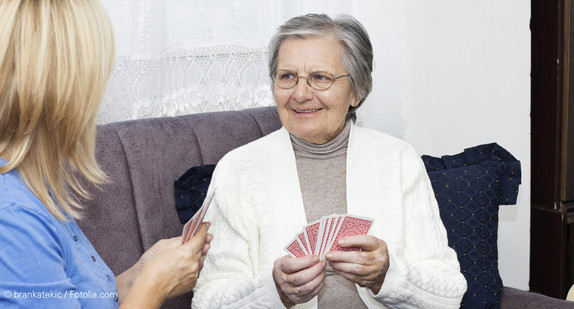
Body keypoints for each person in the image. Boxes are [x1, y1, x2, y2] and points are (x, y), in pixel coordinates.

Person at [192, 13, 467, 308]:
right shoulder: (238, 170)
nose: (299, 94)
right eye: (287, 77)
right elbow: (208, 301)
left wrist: (387, 276)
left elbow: (448, 294)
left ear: (357, 91)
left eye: (320, 77)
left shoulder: (398, 160)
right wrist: (274, 292)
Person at [0, 1, 212, 308]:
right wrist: (155, 284)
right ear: (63, 87)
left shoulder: (30, 182)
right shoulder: (12, 216)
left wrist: (140, 272)